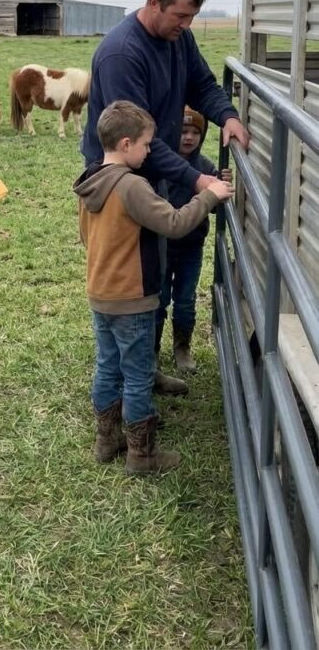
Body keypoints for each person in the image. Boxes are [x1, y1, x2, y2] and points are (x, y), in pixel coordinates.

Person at [81, 0, 249, 396]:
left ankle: (143, 369)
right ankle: (124, 380)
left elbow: (203, 83)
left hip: (152, 172)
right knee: (132, 282)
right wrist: (197, 181)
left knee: (152, 274)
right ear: (153, 2)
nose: (186, 25)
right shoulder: (123, 53)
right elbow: (136, 143)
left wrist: (226, 115)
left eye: (192, 17)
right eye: (180, 16)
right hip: (121, 183)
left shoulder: (179, 39)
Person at [73, 101, 234, 476]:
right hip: (133, 298)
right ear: (127, 144)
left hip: (101, 295)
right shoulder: (131, 186)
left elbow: (85, 237)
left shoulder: (91, 178)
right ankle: (142, 456)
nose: (151, 152)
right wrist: (209, 195)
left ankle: (106, 438)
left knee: (107, 367)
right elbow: (175, 223)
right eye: (147, 145)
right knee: (139, 373)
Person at [156, 107, 232, 373]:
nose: (188, 137)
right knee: (160, 298)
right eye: (183, 131)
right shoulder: (160, 166)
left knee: (186, 299)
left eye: (195, 132)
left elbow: (213, 207)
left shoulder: (206, 167)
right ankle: (152, 350)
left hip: (192, 246)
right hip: (162, 245)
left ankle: (182, 348)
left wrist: (222, 187)